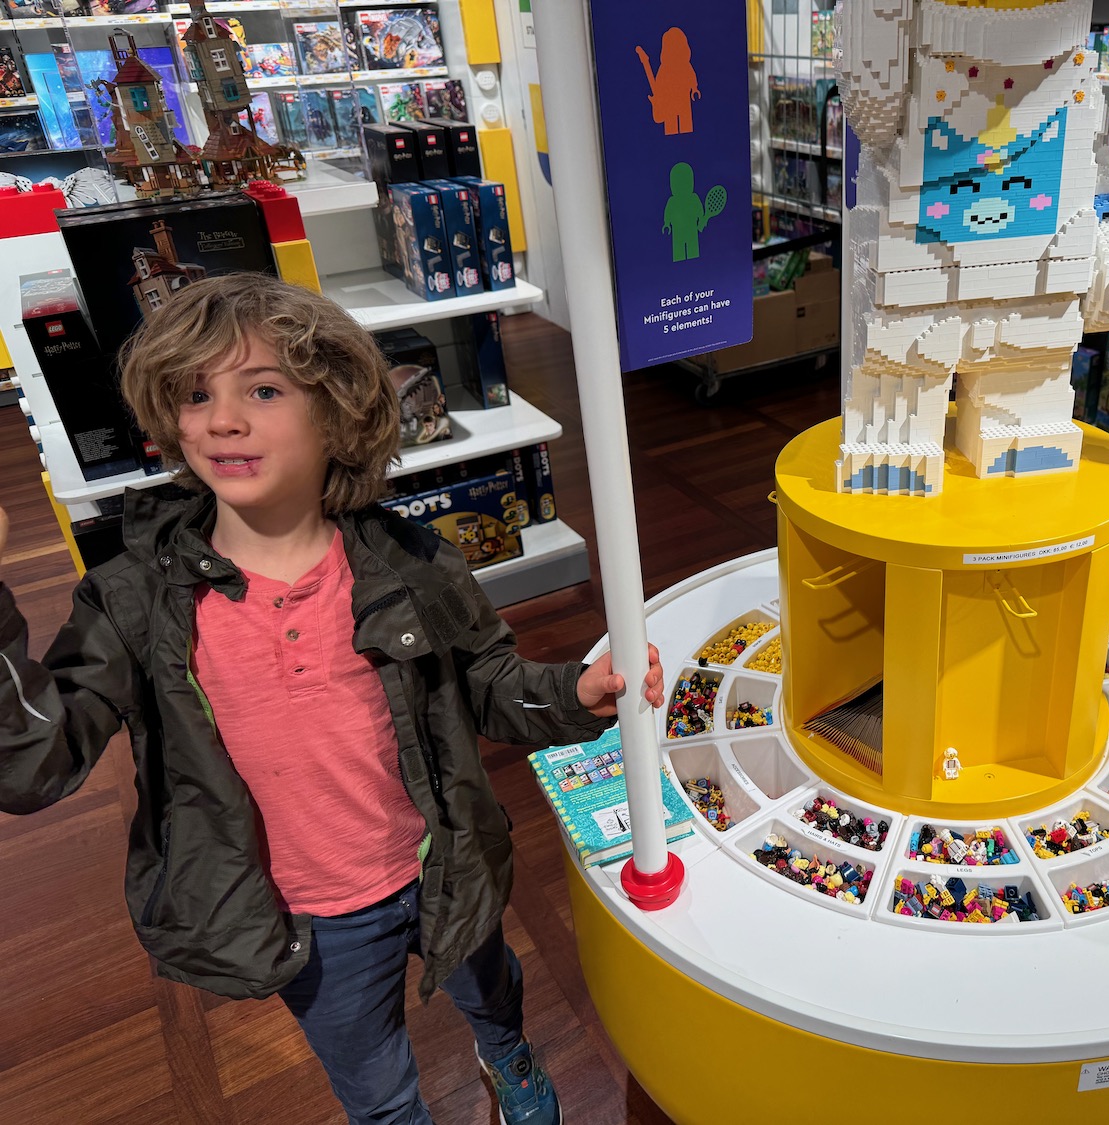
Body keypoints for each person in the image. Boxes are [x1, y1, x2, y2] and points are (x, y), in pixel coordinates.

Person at [0, 273, 666, 1125]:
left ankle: (507, 1055)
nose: (222, 418)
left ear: (337, 410)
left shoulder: (412, 563)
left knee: (493, 989)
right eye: (196, 393)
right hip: (308, 916)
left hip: (443, 861)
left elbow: (488, 683)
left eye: (263, 389)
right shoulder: (135, 599)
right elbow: (33, 764)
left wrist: (577, 692)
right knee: (378, 1092)